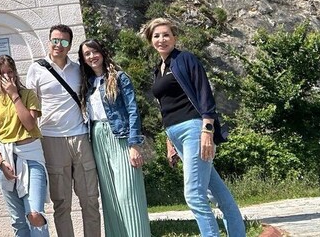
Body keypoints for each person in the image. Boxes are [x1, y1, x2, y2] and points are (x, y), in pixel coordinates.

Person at [143, 17, 245, 237]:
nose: (162, 39)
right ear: (151, 40)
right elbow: (165, 107)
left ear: (174, 37)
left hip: (193, 129)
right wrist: (169, 142)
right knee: (219, 194)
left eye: (166, 34)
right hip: (176, 133)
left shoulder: (185, 59)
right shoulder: (158, 69)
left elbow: (203, 93)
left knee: (194, 195)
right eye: (157, 36)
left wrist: (207, 130)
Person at [26, 24, 101, 237]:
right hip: (51, 139)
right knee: (61, 203)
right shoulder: (36, 69)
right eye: (55, 40)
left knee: (90, 199)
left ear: (69, 45)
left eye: (64, 42)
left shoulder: (79, 69)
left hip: (79, 137)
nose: (58, 45)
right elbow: (32, 106)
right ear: (49, 41)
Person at [78, 39, 151, 237]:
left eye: (94, 52)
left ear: (102, 52)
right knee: (110, 196)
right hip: (97, 137)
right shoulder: (87, 83)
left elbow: (133, 111)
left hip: (120, 136)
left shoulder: (119, 78)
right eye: (87, 54)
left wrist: (134, 144)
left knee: (128, 192)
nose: (92, 56)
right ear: (83, 59)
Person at [0, 55, 49, 237]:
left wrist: (14, 95)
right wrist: (1, 162)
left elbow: (30, 124)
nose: (6, 77)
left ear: (15, 72)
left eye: (9, 72)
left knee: (34, 214)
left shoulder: (28, 95)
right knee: (19, 221)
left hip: (31, 156)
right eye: (2, 73)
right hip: (5, 160)